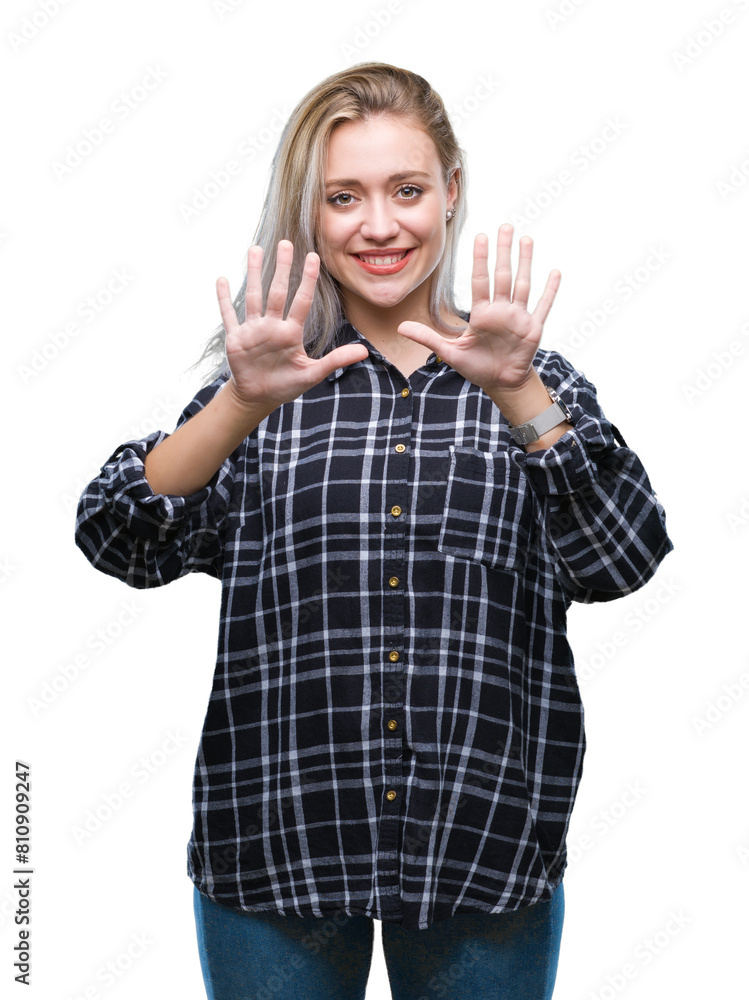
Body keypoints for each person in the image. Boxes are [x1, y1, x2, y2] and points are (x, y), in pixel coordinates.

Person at [75, 61, 674, 1000]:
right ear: (308, 214)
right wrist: (237, 402)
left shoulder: (530, 382)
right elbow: (118, 537)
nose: (380, 225)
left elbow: (622, 558)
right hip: (276, 853)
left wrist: (518, 391)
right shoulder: (267, 386)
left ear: (451, 193)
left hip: (482, 853)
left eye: (406, 190)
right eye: (343, 197)